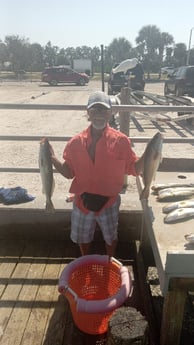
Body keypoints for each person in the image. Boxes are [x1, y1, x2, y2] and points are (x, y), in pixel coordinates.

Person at [49, 91, 144, 257]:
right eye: (94, 110)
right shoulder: (75, 142)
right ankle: (85, 259)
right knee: (83, 237)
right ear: (88, 112)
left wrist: (151, 154)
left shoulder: (121, 141)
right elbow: (68, 172)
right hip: (81, 201)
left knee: (111, 236)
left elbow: (134, 169)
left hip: (110, 202)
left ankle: (109, 259)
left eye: (103, 110)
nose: (99, 115)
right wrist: (51, 158)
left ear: (110, 113)